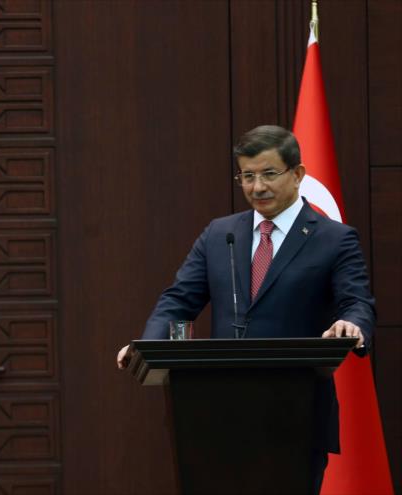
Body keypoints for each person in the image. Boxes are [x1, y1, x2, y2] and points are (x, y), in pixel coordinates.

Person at [116, 125, 375, 493]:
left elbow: (356, 301)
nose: (257, 187)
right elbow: (179, 300)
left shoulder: (333, 239)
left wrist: (351, 323)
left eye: (269, 174)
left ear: (298, 174)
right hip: (215, 412)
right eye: (247, 176)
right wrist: (148, 346)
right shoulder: (220, 234)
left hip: (294, 413)